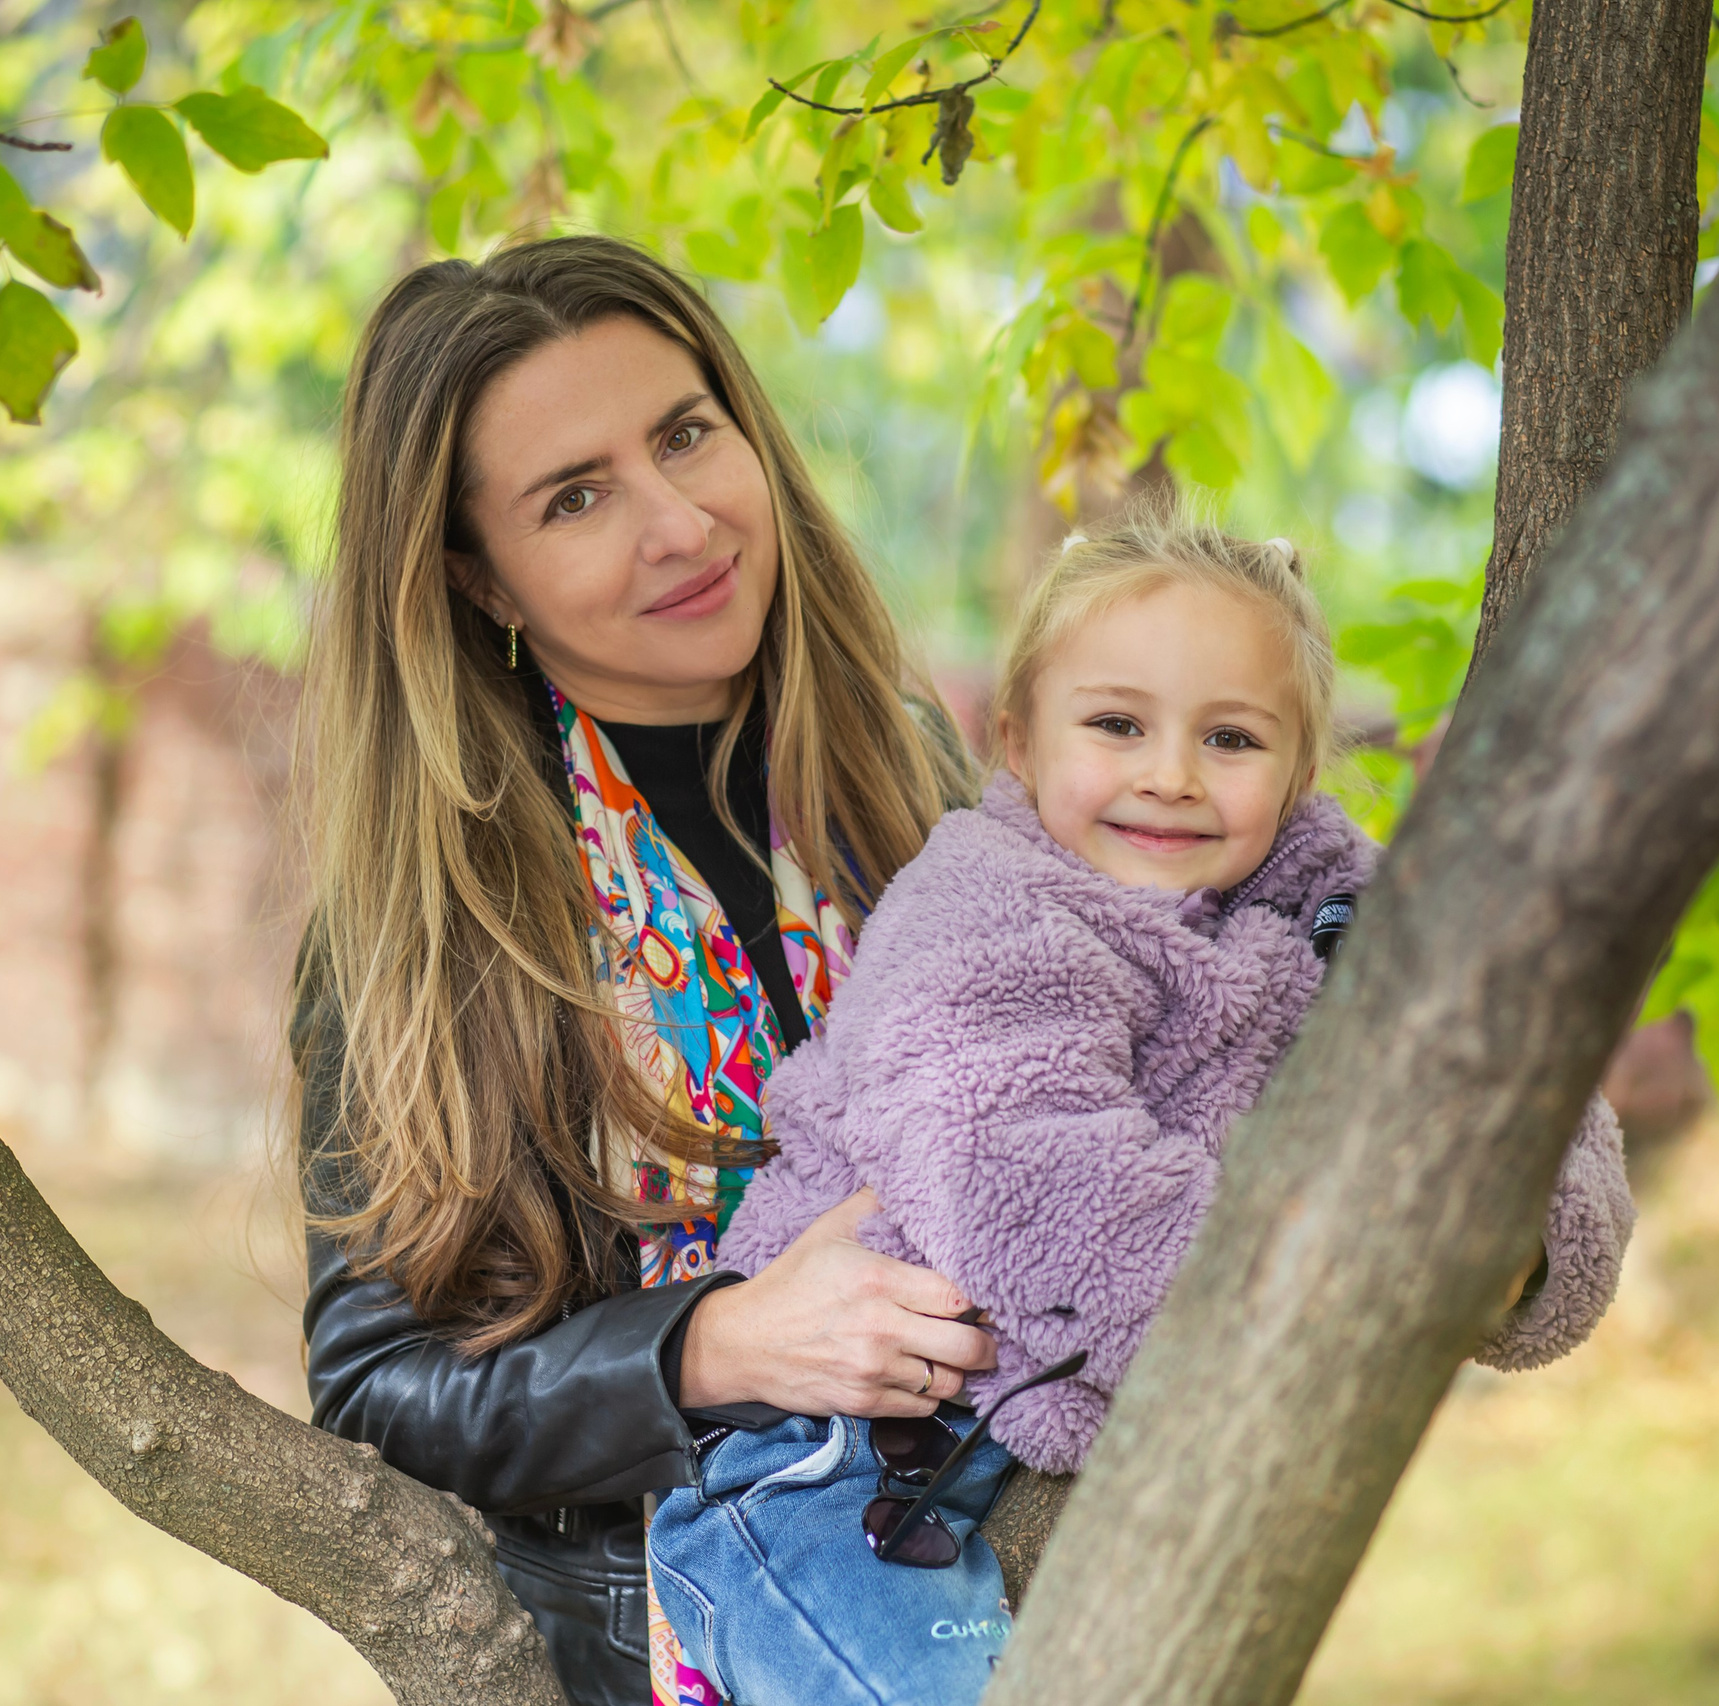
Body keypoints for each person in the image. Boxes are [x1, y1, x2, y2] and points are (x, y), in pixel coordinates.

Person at [648, 510, 1636, 1706]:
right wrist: (1340, 1291)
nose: (1169, 773)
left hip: (1033, 1440)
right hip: (819, 1460)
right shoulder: (983, 910)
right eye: (1116, 724)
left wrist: (1516, 1248)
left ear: (1300, 764)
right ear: (1016, 739)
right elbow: (1028, 1174)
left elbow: (1514, 1068)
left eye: (1229, 736)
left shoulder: (1337, 906)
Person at [293, 234, 999, 1706]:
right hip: (648, 1644)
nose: (681, 523)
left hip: (1021, 1547)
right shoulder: (433, 922)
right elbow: (376, 1386)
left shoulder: (918, 785)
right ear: (479, 577)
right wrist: (713, 1343)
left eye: (685, 434)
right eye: (576, 495)